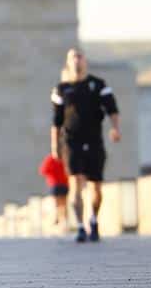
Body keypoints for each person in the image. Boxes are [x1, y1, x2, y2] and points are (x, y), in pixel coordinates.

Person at [51, 48, 121, 243]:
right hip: (71, 141)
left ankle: (94, 220)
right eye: (73, 57)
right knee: (75, 182)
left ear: (85, 61)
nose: (76, 60)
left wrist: (115, 128)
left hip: (94, 140)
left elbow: (112, 109)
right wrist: (54, 145)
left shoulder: (98, 85)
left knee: (96, 187)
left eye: (79, 56)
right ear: (68, 62)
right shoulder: (61, 89)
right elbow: (56, 120)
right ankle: (81, 227)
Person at [38, 151, 69, 233]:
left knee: (58, 203)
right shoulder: (65, 158)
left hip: (56, 184)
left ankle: (60, 219)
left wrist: (52, 174)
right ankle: (63, 220)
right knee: (63, 204)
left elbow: (43, 171)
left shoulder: (51, 159)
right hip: (62, 183)